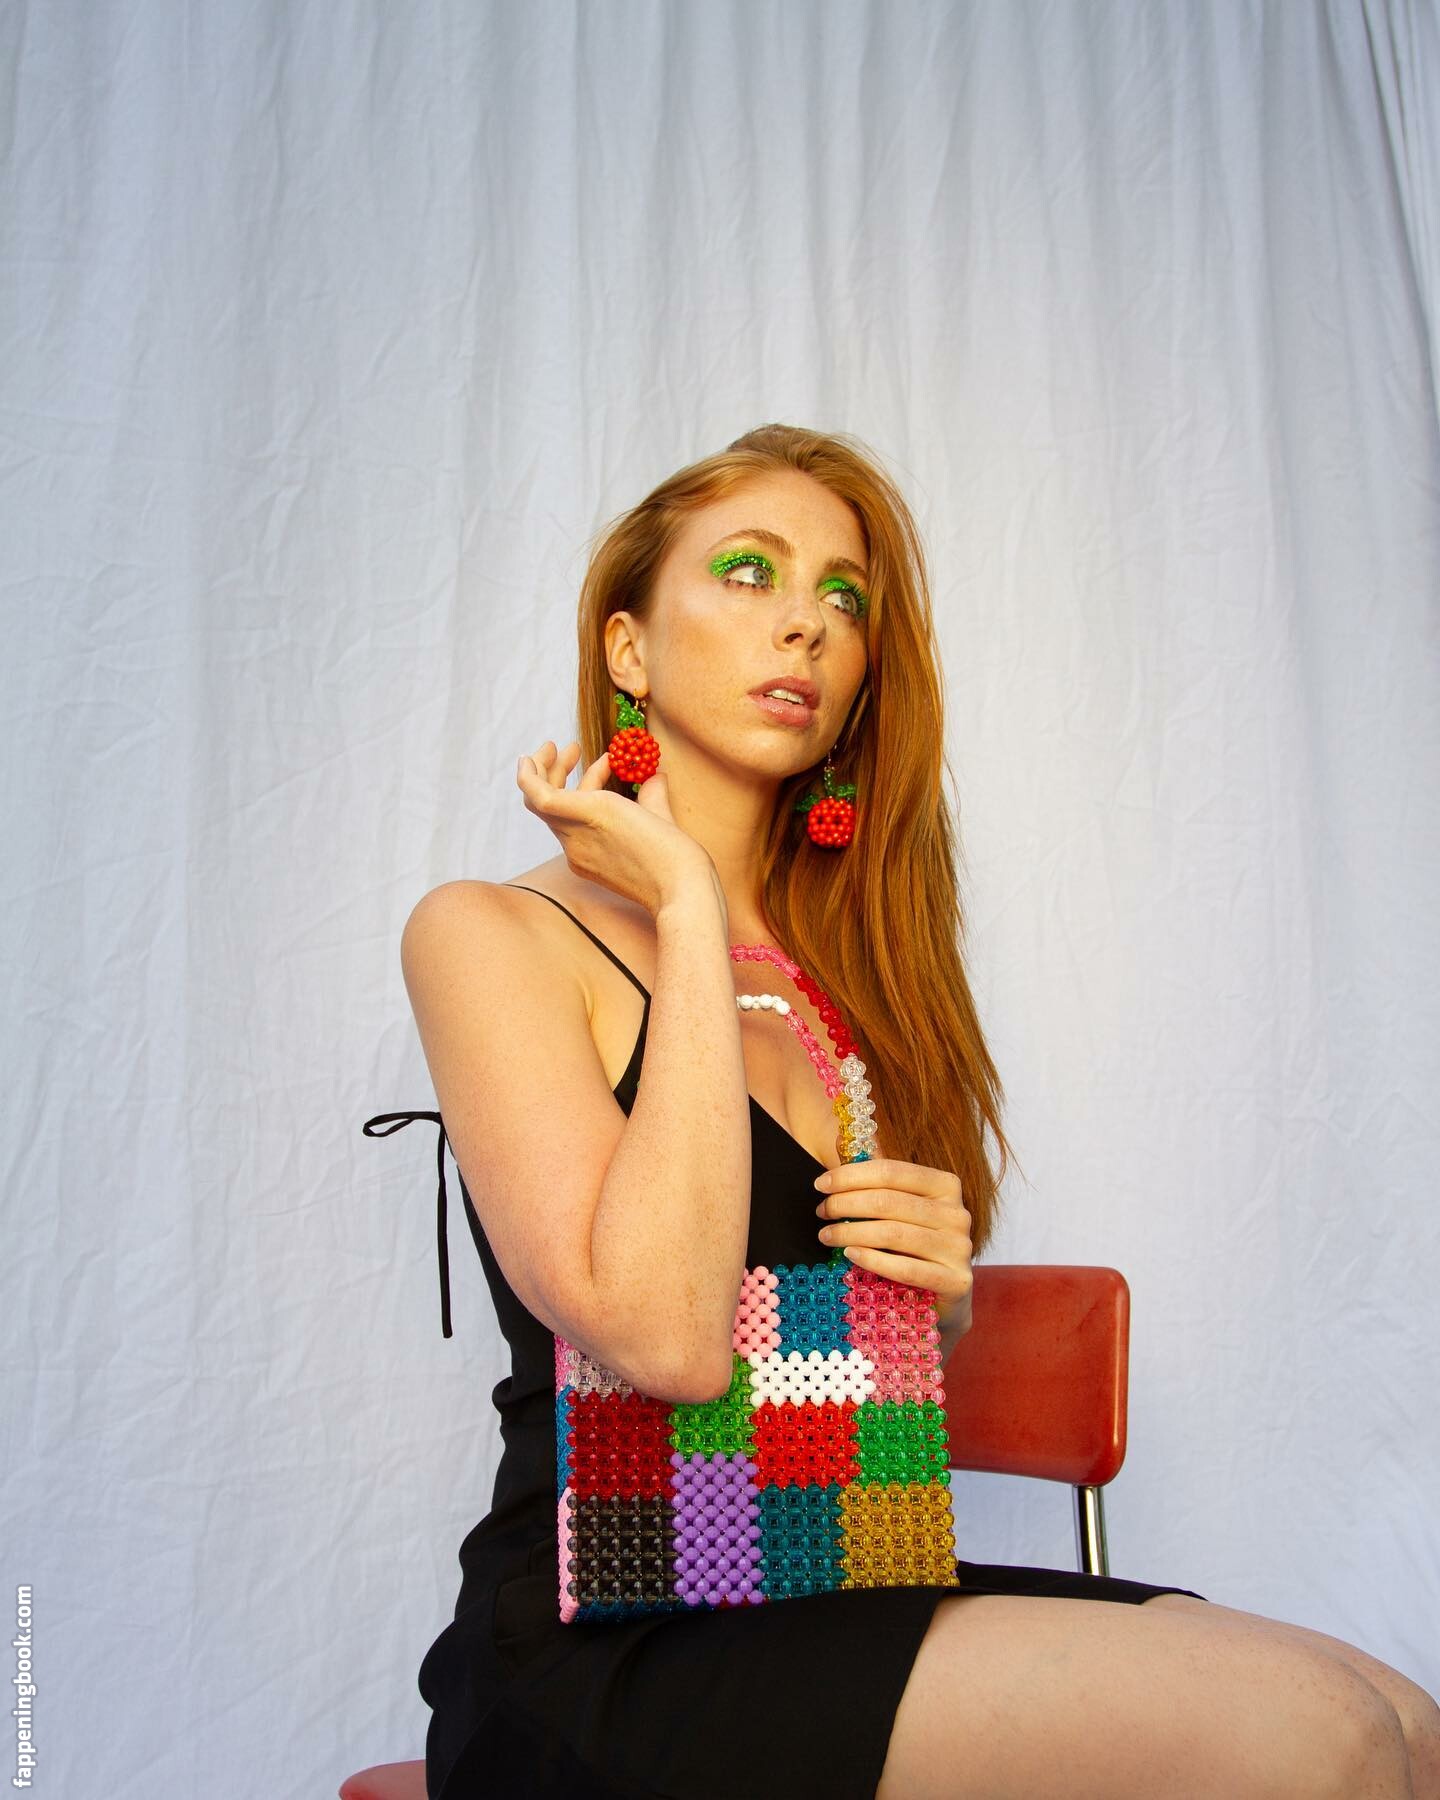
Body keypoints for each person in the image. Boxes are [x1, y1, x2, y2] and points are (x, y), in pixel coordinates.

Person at [392, 424, 1439, 1797]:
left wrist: (931, 1299)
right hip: (612, 1636)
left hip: (831, 1566)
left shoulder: (851, 978)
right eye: (750, 572)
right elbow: (665, 1340)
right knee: (1323, 1741)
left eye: (844, 597)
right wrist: (689, 905)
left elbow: (826, 1357)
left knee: (1403, 1719)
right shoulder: (489, 935)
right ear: (627, 648)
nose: (806, 624)